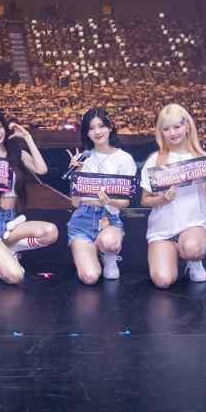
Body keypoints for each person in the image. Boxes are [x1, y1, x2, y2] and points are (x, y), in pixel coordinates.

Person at [140, 103, 206, 287]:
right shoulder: (154, 160)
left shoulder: (202, 159)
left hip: (194, 227)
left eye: (177, 126)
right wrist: (163, 199)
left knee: (192, 249)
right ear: (160, 132)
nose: (172, 133)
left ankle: (194, 262)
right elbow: (144, 200)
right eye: (166, 129)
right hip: (163, 231)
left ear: (187, 126)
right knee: (162, 281)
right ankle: (172, 252)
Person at [0, 107, 57, 285]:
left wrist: (27, 137)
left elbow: (42, 169)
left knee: (50, 232)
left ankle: (3, 249)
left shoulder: (16, 152)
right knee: (16, 276)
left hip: (10, 223)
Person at [65, 107, 137, 284]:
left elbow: (125, 202)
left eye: (101, 126)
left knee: (110, 243)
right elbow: (75, 203)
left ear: (110, 127)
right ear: (86, 133)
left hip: (109, 219)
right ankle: (90, 252)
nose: (97, 132)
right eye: (91, 128)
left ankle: (108, 254)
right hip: (82, 221)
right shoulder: (82, 159)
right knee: (89, 277)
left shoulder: (124, 159)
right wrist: (77, 172)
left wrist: (109, 200)